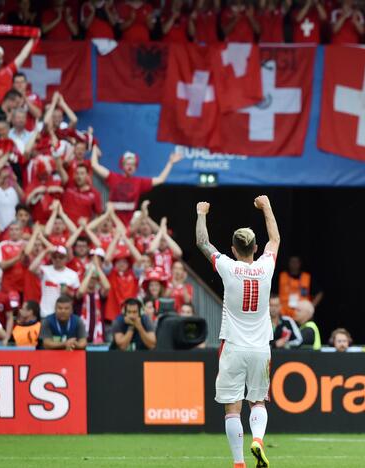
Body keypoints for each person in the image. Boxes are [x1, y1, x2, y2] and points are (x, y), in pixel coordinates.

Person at [195, 195, 280, 468]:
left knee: (232, 407)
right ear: (256, 248)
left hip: (232, 346)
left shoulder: (229, 267)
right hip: (260, 348)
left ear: (233, 249)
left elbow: (202, 243)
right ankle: (258, 440)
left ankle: (239, 462)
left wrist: (201, 214)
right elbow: (275, 240)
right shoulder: (266, 267)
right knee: (258, 401)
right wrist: (266, 207)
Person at [90, 146, 182, 224]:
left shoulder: (139, 182)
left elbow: (160, 179)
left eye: (133, 164)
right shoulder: (113, 177)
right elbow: (94, 165)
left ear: (136, 167)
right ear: (122, 165)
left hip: (129, 227)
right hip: (112, 224)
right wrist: (94, 147)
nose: (130, 167)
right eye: (127, 164)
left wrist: (170, 163)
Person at [30, 244, 80, 318]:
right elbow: (32, 268)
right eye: (54, 257)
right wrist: (45, 251)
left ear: (66, 258)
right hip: (46, 313)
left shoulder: (73, 274)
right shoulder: (45, 270)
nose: (57, 259)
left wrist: (68, 292)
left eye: (61, 257)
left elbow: (77, 296)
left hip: (64, 315)